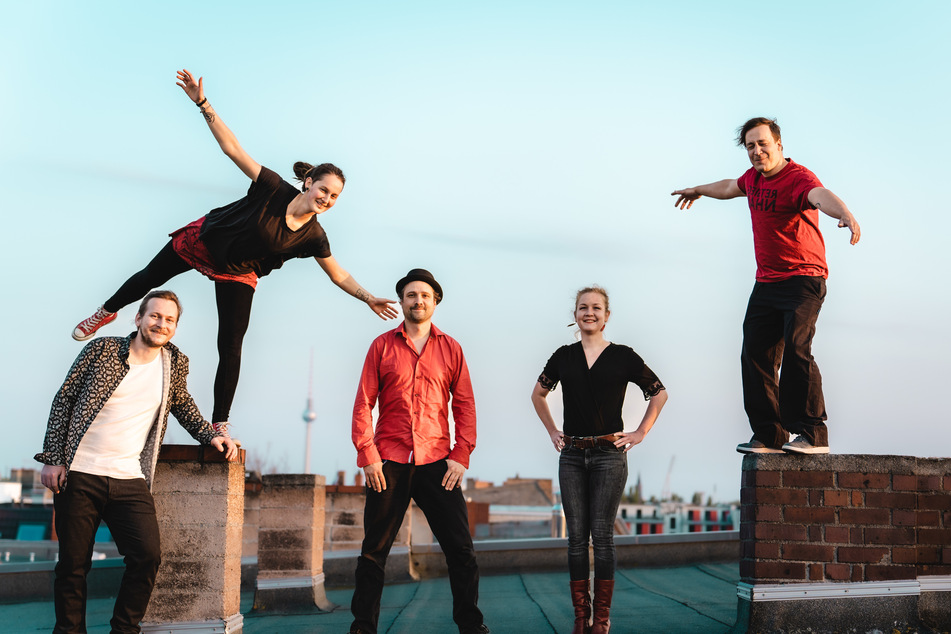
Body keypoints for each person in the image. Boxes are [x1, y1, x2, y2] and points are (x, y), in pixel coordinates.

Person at [71, 69, 398, 438]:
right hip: (206, 241)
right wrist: (202, 103)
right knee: (150, 277)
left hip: (238, 271)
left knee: (231, 343)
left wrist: (368, 297)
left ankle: (219, 422)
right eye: (323, 190)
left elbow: (338, 274)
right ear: (308, 183)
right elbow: (232, 149)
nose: (326, 199)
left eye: (334, 196)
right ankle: (105, 312)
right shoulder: (273, 188)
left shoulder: (314, 236)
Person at [35, 290, 239, 634]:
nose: (161, 323)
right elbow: (64, 399)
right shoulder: (101, 350)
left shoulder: (173, 363)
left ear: (175, 327)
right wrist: (53, 458)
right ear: (139, 319)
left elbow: (182, 404)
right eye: (155, 315)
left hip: (129, 478)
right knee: (73, 565)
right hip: (80, 472)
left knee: (147, 557)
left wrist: (210, 434)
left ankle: (124, 629)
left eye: (169, 319)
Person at [671, 117, 861, 455]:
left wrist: (843, 213)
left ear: (779, 145)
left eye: (763, 144)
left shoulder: (798, 178)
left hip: (805, 279)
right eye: (750, 146)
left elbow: (820, 195)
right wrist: (698, 190)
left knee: (797, 347)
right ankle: (771, 436)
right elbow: (729, 187)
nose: (757, 151)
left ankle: (812, 433)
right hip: (767, 283)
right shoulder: (752, 179)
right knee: (755, 355)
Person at [349, 269, 488, 634]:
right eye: (411, 295)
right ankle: (363, 627)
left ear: (435, 302)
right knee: (373, 552)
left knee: (461, 551)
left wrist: (461, 455)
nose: (418, 301)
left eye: (424, 295)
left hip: (437, 463)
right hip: (388, 463)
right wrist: (368, 455)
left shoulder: (452, 349)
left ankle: (471, 626)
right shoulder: (381, 346)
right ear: (402, 301)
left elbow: (466, 406)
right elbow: (364, 403)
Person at [531, 285, 668, 634]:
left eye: (596, 308)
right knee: (576, 538)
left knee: (602, 537)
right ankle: (581, 617)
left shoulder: (623, 356)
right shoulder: (563, 356)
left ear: (607, 316)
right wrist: (552, 431)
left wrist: (640, 433)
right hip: (572, 455)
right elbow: (538, 394)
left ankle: (601, 619)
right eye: (582, 307)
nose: (589, 313)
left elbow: (659, 393)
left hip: (609, 454)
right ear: (574, 315)